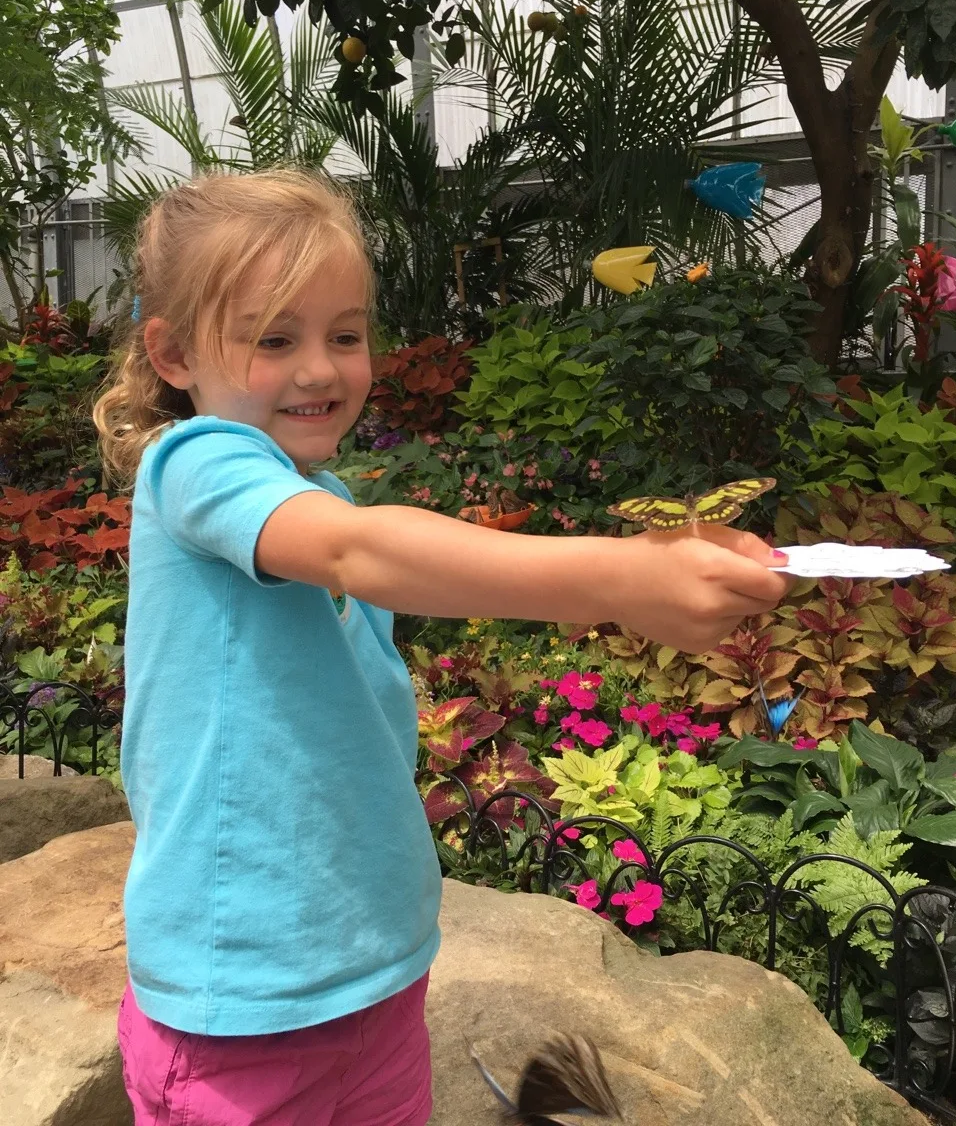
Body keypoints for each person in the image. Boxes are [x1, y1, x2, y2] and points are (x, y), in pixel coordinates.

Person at [93, 167, 790, 1126]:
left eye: (347, 333)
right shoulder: (197, 466)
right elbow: (364, 550)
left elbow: (363, 548)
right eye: (273, 338)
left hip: (372, 979)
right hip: (239, 1007)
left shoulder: (319, 503)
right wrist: (622, 581)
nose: (322, 369)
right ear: (172, 356)